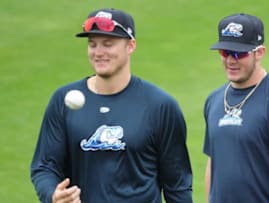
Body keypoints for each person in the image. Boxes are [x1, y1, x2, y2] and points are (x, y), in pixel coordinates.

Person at [30, 8, 193, 203]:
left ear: (131, 46)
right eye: (92, 44)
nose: (98, 53)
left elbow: (177, 185)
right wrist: (53, 195)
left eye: (108, 44)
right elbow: (45, 166)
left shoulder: (160, 106)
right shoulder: (62, 101)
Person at [203, 13, 269, 203]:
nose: (230, 60)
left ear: (259, 53)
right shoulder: (214, 100)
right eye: (225, 52)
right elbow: (213, 163)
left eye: (239, 53)